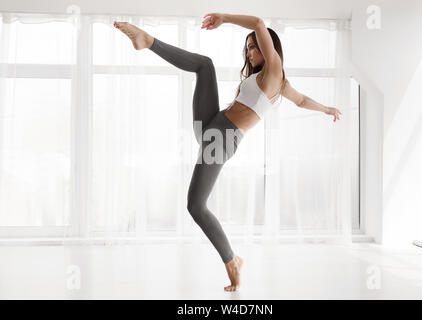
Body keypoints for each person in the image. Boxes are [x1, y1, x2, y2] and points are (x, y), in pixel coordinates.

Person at [114, 13, 342, 292]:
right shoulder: (267, 80)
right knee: (204, 65)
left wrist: (224, 18)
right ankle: (147, 41)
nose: (249, 51)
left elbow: (259, 24)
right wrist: (326, 108)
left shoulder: (275, 73)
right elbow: (301, 99)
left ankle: (232, 261)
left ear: (270, 47)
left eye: (254, 46)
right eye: (247, 47)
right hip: (213, 125)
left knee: (196, 206)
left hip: (222, 137)